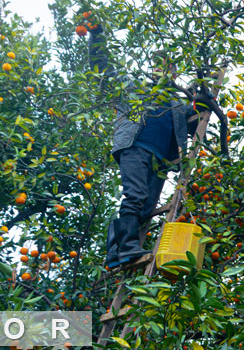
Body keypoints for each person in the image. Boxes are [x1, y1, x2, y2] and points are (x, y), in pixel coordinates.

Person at [88, 21, 211, 268]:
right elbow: (103, 68)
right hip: (134, 147)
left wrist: (204, 93)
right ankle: (127, 248)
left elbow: (197, 113)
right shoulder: (133, 88)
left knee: (145, 206)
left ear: (175, 74)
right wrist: (96, 36)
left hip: (160, 161)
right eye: (160, 65)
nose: (165, 70)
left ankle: (116, 252)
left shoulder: (177, 105)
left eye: (170, 67)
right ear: (153, 69)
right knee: (135, 195)